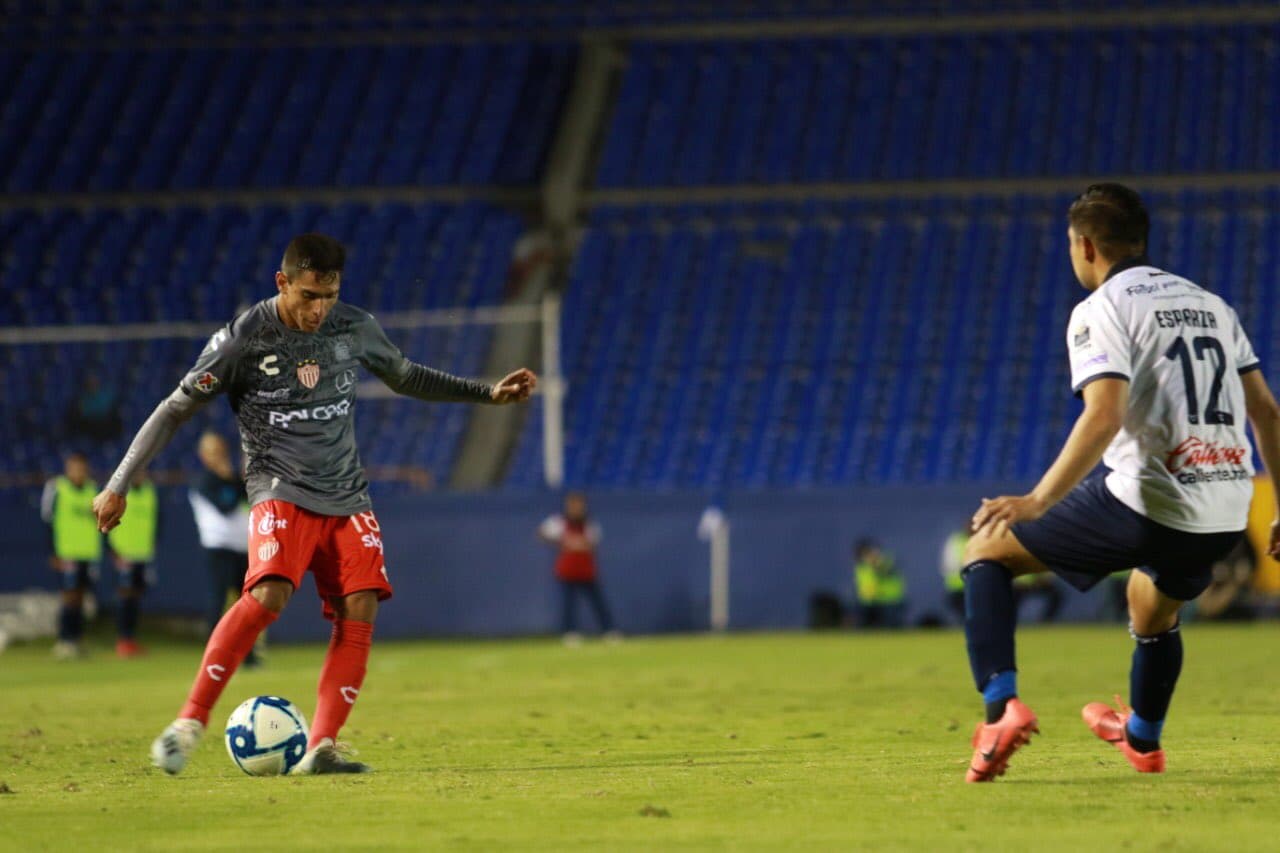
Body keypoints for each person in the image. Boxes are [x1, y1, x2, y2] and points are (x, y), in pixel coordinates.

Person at [92, 233, 537, 775]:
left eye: (328, 296)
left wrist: (486, 393)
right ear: (283, 283)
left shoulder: (354, 326)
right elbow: (173, 409)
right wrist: (119, 483)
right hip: (279, 486)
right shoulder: (244, 339)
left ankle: (321, 746)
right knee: (272, 592)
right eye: (308, 296)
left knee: (361, 603)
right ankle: (188, 722)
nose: (318, 309)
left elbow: (407, 376)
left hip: (348, 493)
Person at [958, 184, 1280, 782]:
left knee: (987, 553)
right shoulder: (1212, 304)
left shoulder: (1103, 307)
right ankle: (1141, 739)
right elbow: (1267, 412)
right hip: (1224, 512)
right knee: (1150, 608)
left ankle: (1000, 710)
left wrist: (1036, 501)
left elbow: (1102, 415)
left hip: (1149, 500)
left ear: (1084, 246)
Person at [188, 430, 260, 667]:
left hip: (243, 548)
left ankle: (248, 655)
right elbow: (225, 506)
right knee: (217, 602)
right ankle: (214, 657)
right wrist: (230, 478)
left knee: (248, 604)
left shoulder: (233, 480)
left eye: (220, 451)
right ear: (203, 456)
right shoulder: (204, 481)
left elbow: (251, 497)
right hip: (218, 548)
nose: (218, 456)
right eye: (212, 452)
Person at [40, 452, 101, 659]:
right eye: (74, 467)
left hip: (87, 552)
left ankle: (76, 639)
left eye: (81, 468)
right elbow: (47, 521)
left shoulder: (93, 489)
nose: (78, 472)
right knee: (69, 597)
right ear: (67, 468)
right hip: (66, 553)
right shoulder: (57, 488)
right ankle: (64, 639)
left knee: (81, 598)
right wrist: (53, 551)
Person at [538, 492, 618, 644]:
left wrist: (577, 544)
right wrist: (560, 541)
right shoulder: (559, 522)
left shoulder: (589, 523)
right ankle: (570, 633)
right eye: (573, 504)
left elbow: (592, 544)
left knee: (598, 602)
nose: (576, 508)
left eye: (579, 504)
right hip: (568, 570)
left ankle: (609, 631)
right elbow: (542, 533)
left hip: (586, 570)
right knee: (568, 604)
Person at [105, 471, 158, 658]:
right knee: (125, 596)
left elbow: (157, 522)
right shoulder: (118, 494)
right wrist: (112, 551)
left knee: (136, 596)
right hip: (124, 554)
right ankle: (122, 639)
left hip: (143, 554)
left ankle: (131, 639)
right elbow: (105, 521)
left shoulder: (150, 492)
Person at [852, 539, 906, 628]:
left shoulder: (886, 561)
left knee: (892, 627)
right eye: (864, 554)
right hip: (869, 603)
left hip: (891, 602)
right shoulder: (861, 568)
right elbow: (865, 586)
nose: (867, 556)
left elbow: (887, 570)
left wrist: (877, 563)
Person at [940, 527, 968, 622]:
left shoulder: (980, 539)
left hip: (972, 584)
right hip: (957, 585)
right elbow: (947, 563)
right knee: (962, 612)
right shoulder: (956, 541)